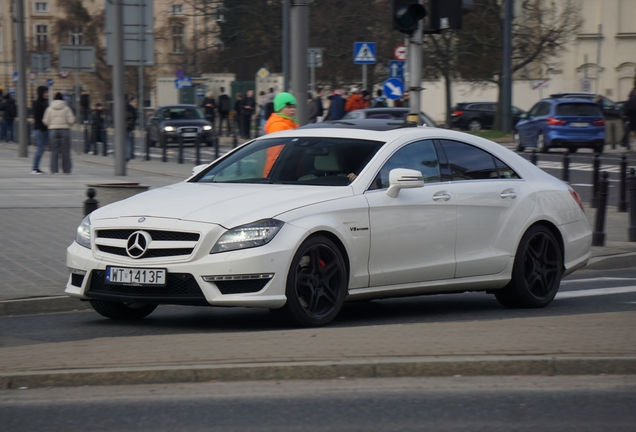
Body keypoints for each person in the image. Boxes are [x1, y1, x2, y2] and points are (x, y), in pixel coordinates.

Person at [264, 92, 299, 176]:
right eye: (289, 107)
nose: (292, 109)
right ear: (279, 108)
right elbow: (276, 153)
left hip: (287, 166)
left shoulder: (291, 123)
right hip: (280, 170)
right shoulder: (278, 125)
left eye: (294, 107)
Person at [43, 92, 74, 174]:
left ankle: (54, 170)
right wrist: (68, 124)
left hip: (53, 131)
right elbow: (71, 120)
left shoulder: (49, 109)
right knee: (66, 151)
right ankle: (67, 170)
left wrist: (51, 125)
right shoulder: (66, 108)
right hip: (65, 130)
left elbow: (45, 121)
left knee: (54, 151)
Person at [30, 86, 49, 174]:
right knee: (40, 148)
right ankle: (34, 168)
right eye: (45, 93)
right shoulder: (37, 103)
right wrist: (42, 127)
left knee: (41, 149)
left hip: (44, 128)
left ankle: (36, 167)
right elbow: (37, 117)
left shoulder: (45, 103)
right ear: (41, 93)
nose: (47, 94)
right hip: (40, 129)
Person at [125, 96, 137, 161]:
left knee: (125, 142)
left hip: (123, 127)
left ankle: (126, 155)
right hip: (129, 127)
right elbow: (134, 117)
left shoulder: (122, 107)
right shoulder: (131, 108)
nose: (135, 103)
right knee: (129, 142)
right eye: (134, 102)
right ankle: (128, 155)